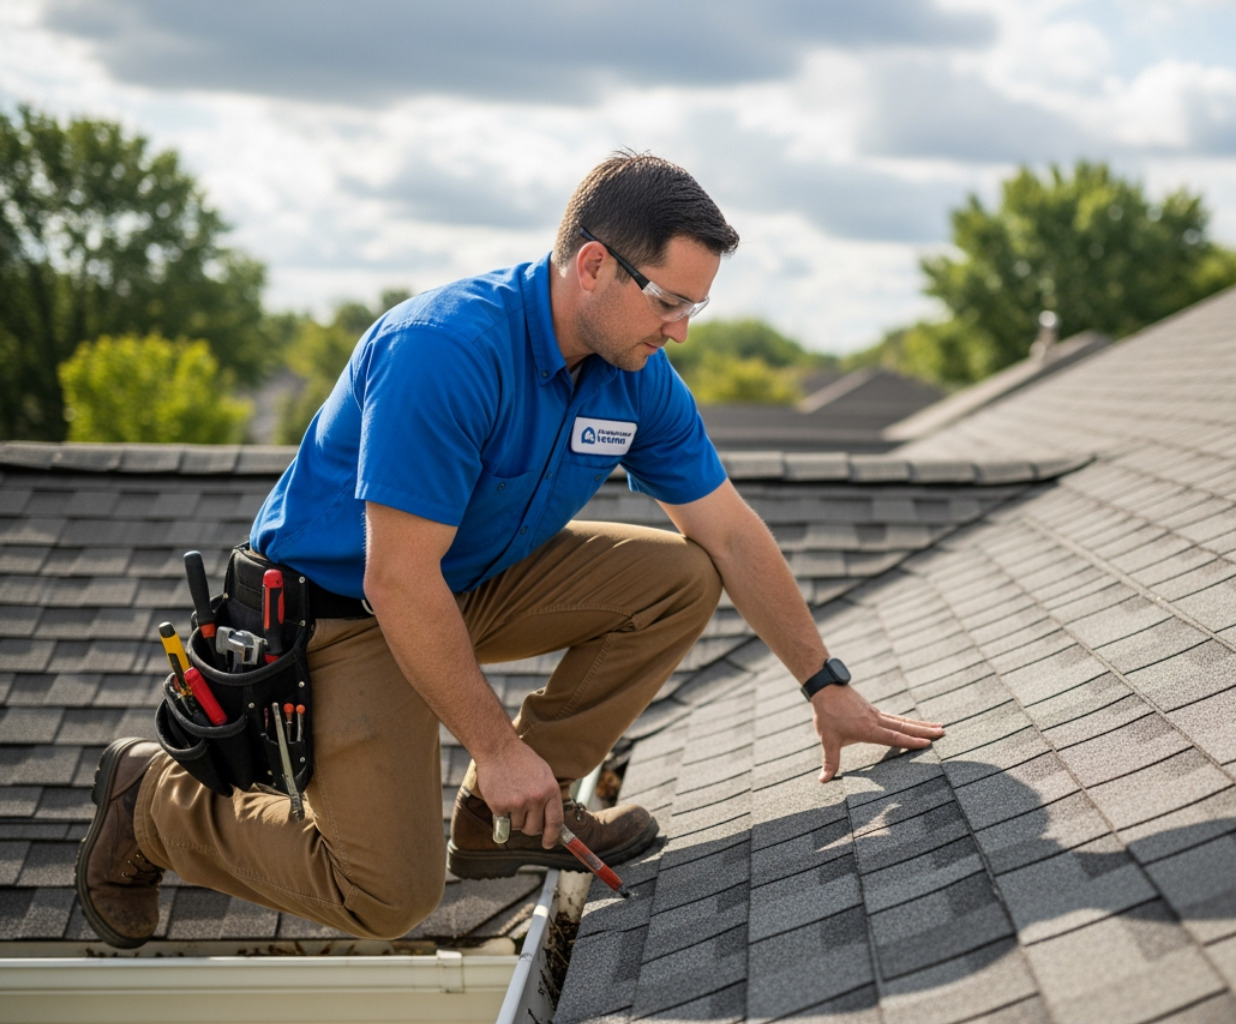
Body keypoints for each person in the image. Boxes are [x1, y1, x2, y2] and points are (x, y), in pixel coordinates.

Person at [75, 153, 944, 949]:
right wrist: (495, 750)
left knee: (682, 574)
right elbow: (397, 577)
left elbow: (728, 530)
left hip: (473, 579)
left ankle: (507, 826)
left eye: (696, 307)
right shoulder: (445, 350)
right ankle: (152, 801)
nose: (681, 330)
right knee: (386, 896)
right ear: (595, 264)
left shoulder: (636, 376)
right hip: (347, 613)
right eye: (669, 301)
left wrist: (826, 687)